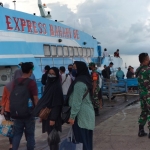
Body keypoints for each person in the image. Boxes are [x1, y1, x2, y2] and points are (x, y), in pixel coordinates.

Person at [66, 61, 95, 150]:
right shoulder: (86, 79)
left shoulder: (79, 83)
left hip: (81, 116)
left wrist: (72, 116)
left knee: (81, 143)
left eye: (75, 67)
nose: (73, 69)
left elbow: (76, 102)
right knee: (87, 142)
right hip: (88, 115)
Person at [34, 67, 63, 150]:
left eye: (53, 74)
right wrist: (42, 115)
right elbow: (45, 101)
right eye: (49, 73)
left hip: (52, 117)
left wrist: (53, 119)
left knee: (53, 137)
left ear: (57, 75)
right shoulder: (48, 85)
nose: (51, 75)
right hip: (47, 115)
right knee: (51, 136)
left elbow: (57, 104)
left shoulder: (56, 87)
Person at [12, 62, 38, 150]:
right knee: (30, 135)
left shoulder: (15, 82)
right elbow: (35, 98)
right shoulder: (31, 83)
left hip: (17, 113)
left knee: (17, 134)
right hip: (29, 113)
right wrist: (37, 110)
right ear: (30, 71)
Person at [136, 53, 150, 138]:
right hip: (148, 94)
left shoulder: (138, 69)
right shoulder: (148, 70)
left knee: (144, 112)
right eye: (148, 59)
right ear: (145, 60)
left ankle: (141, 130)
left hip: (142, 94)